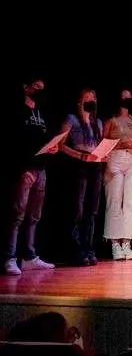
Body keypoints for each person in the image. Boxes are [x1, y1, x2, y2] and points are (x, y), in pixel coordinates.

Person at [5, 76, 57, 275]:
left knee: (34, 216)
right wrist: (22, 168)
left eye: (42, 88)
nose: (39, 91)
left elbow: (44, 139)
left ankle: (29, 256)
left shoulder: (40, 112)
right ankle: (10, 257)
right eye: (36, 87)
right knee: (17, 214)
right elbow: (13, 144)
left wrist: (51, 148)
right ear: (25, 87)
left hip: (41, 168)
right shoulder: (17, 111)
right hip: (25, 169)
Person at [59, 88, 105, 266]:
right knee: (77, 210)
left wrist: (103, 154)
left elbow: (99, 144)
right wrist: (79, 155)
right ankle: (77, 250)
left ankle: (89, 249)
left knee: (92, 211)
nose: (90, 100)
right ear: (80, 101)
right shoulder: (72, 119)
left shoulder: (98, 122)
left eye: (93, 98)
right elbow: (61, 144)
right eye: (87, 98)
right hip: (80, 166)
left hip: (96, 166)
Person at [103, 89, 132, 261]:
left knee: (131, 202)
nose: (127, 100)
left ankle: (127, 244)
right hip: (115, 160)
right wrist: (121, 144)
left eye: (130, 97)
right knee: (114, 201)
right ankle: (115, 244)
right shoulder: (111, 121)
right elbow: (103, 144)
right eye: (124, 97)